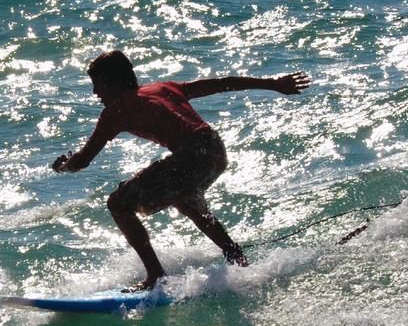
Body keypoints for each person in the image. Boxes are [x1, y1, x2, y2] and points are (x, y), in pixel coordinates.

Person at [51, 50, 310, 291]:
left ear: (114, 82)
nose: (95, 93)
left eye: (98, 85)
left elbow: (84, 160)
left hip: (192, 155)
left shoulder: (118, 109)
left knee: (118, 203)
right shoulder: (162, 88)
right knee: (186, 200)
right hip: (215, 150)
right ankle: (237, 257)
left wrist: (64, 165)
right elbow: (221, 83)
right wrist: (273, 84)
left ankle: (155, 276)